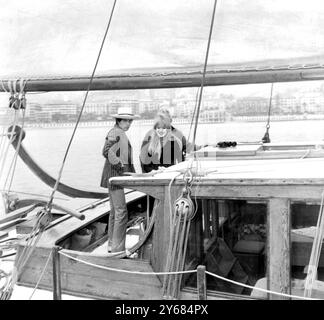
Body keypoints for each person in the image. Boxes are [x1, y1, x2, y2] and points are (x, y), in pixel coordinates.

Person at [100, 107, 140, 253]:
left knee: (115, 212)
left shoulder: (118, 132)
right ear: (119, 120)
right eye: (126, 121)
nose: (129, 124)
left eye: (130, 121)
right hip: (115, 176)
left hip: (114, 176)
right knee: (121, 212)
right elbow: (106, 151)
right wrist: (120, 165)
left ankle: (112, 244)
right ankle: (117, 248)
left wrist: (132, 174)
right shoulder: (115, 132)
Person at [140, 108, 198, 173]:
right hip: (153, 175)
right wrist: (152, 171)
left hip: (169, 174)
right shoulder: (149, 136)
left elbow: (187, 149)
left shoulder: (177, 137)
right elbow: (144, 160)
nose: (161, 130)